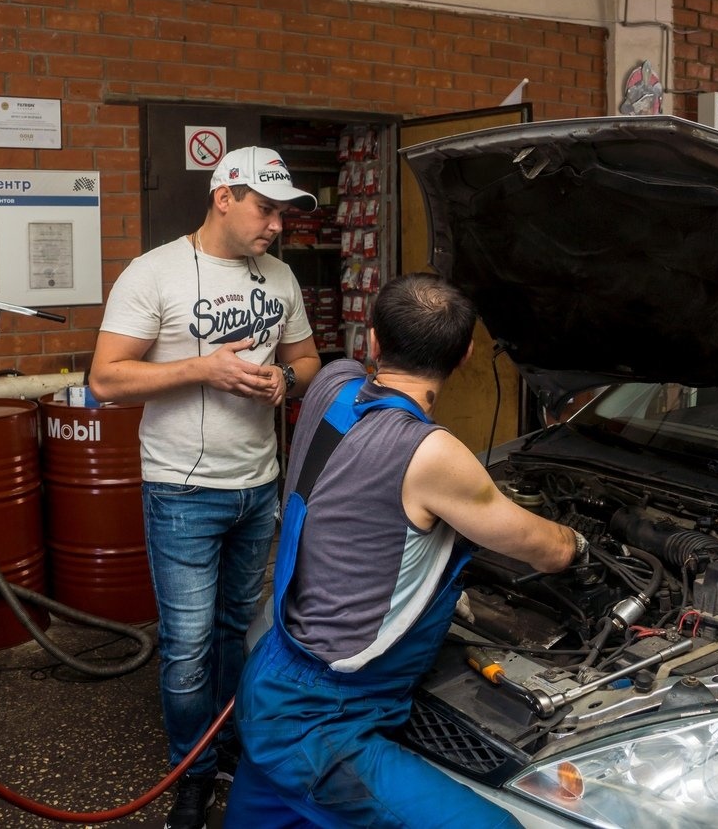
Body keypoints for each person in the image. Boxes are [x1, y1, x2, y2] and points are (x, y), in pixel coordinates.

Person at [223, 272, 587, 828]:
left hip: (275, 675)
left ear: (370, 341)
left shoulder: (332, 385)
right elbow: (546, 552)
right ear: (466, 355)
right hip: (321, 723)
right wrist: (579, 541)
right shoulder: (431, 454)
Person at [89, 146, 323, 829]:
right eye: (265, 208)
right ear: (224, 195)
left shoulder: (280, 277)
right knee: (188, 646)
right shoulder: (153, 272)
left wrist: (290, 379)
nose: (276, 225)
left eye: (283, 213)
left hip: (259, 485)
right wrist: (202, 370)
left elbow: (307, 357)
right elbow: (106, 379)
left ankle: (225, 748)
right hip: (182, 491)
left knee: (236, 633)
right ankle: (190, 768)